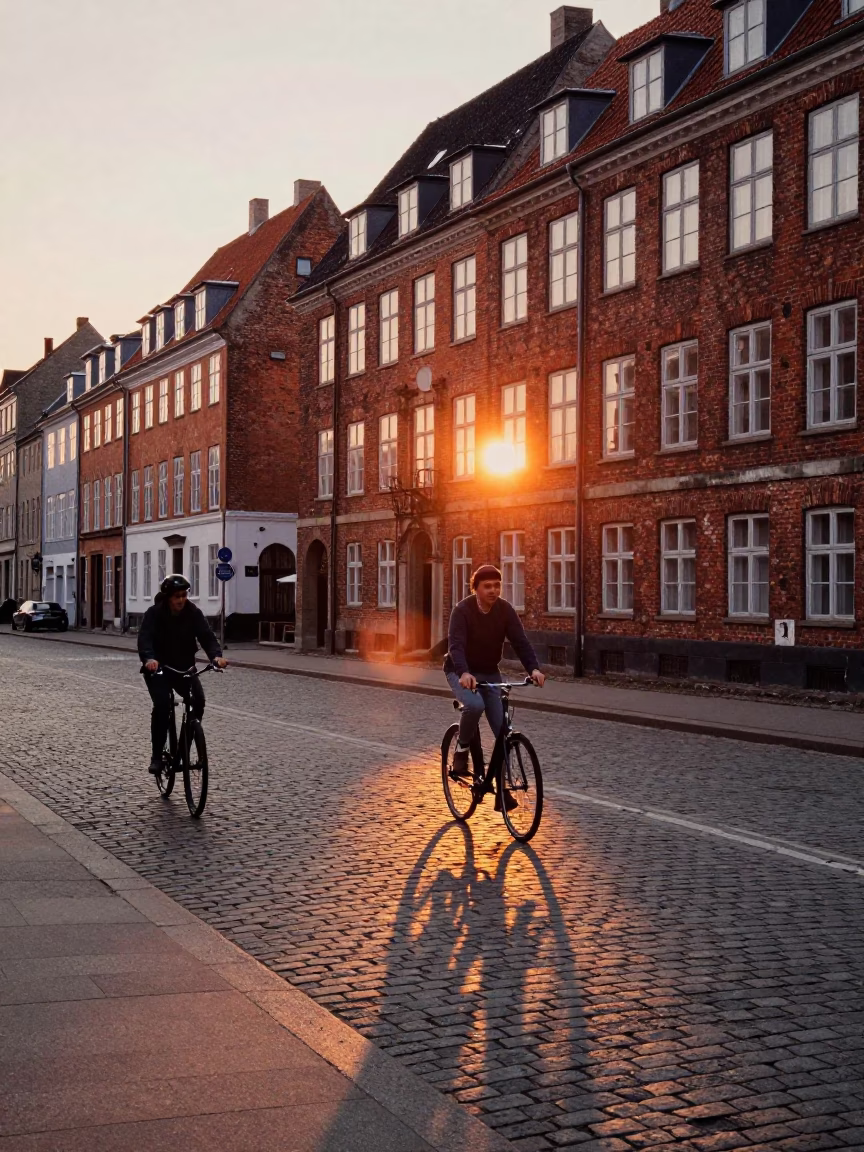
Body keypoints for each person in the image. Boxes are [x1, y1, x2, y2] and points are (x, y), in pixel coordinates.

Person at [444, 564, 545, 803]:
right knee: (474, 705)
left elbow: (520, 642)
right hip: (460, 671)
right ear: (476, 588)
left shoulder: (505, 611)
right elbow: (456, 646)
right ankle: (462, 749)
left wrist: (534, 669)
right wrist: (464, 672)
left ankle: (503, 791)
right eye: (487, 586)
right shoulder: (462, 611)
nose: (493, 590)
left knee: (503, 731)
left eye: (497, 585)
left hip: (490, 673)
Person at [138, 575, 227, 774]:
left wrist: (216, 656)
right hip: (159, 669)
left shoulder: (192, 612)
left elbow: (206, 636)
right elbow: (145, 639)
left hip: (184, 668)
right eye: (177, 596)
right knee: (162, 705)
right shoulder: (154, 614)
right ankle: (156, 755)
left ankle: (185, 747)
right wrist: (149, 659)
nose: (181, 600)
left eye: (184, 595)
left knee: (199, 701)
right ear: (168, 597)